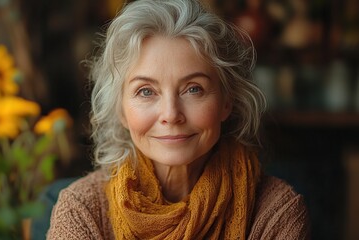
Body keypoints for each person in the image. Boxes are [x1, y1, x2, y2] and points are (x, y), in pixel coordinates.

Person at [47, 0, 310, 239]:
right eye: (146, 91)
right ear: (121, 110)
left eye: (193, 88)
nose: (171, 114)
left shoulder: (275, 211)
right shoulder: (82, 210)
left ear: (226, 102)